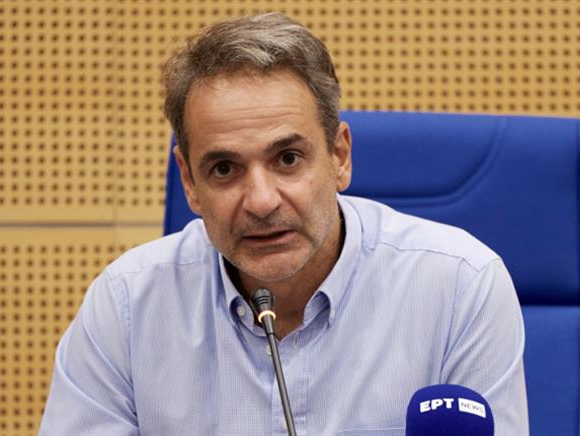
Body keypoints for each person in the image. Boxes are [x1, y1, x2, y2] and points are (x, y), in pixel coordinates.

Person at [40, 12, 528, 436]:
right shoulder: (127, 306)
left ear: (339, 157)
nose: (261, 200)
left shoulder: (460, 286)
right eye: (224, 169)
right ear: (189, 182)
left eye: (288, 159)